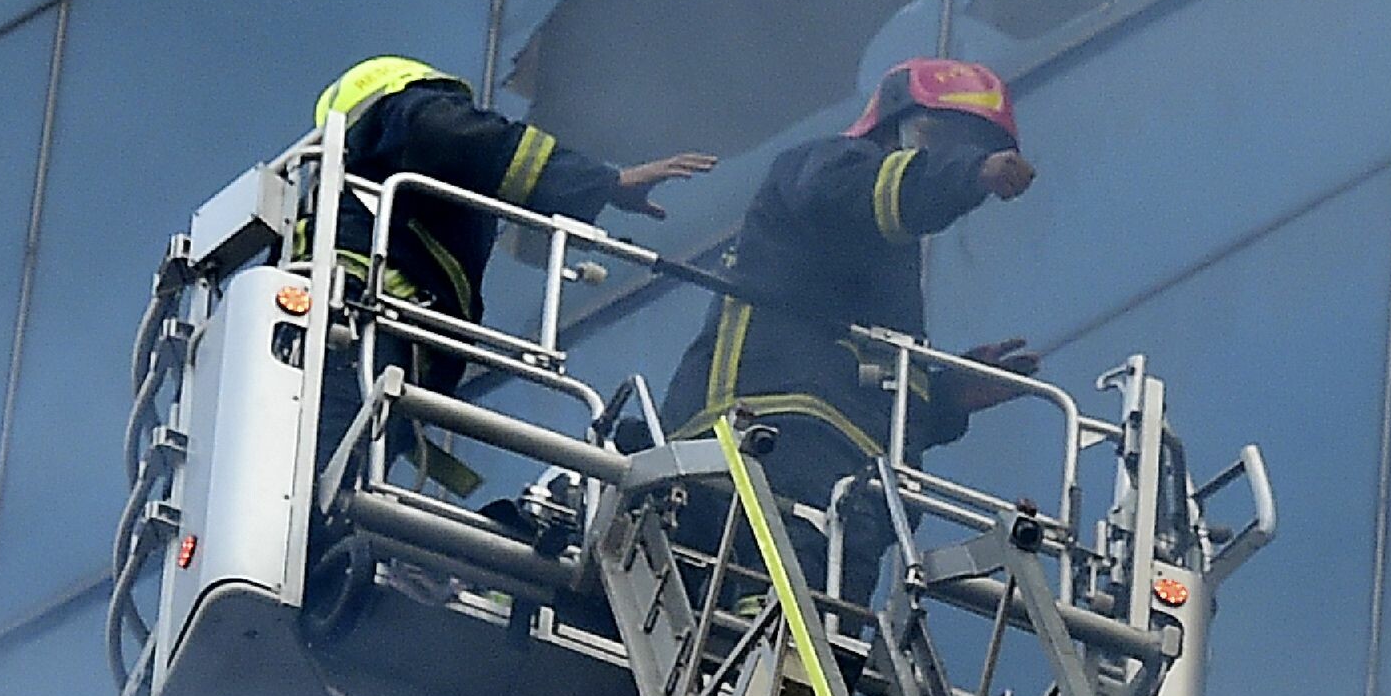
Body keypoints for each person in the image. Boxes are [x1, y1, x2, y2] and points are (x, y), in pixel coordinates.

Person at [661, 58, 1042, 489]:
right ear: (888, 126)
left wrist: (945, 400)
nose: (951, 157)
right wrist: (968, 173)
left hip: (847, 477)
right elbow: (857, 193)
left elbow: (865, 381)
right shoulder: (829, 164)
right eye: (938, 139)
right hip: (757, 441)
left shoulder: (890, 261)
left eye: (971, 148)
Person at [311, 54, 716, 353]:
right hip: (361, 326)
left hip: (360, 331)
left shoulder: (346, 206)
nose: (465, 116)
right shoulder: (409, 111)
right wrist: (603, 183)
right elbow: (460, 141)